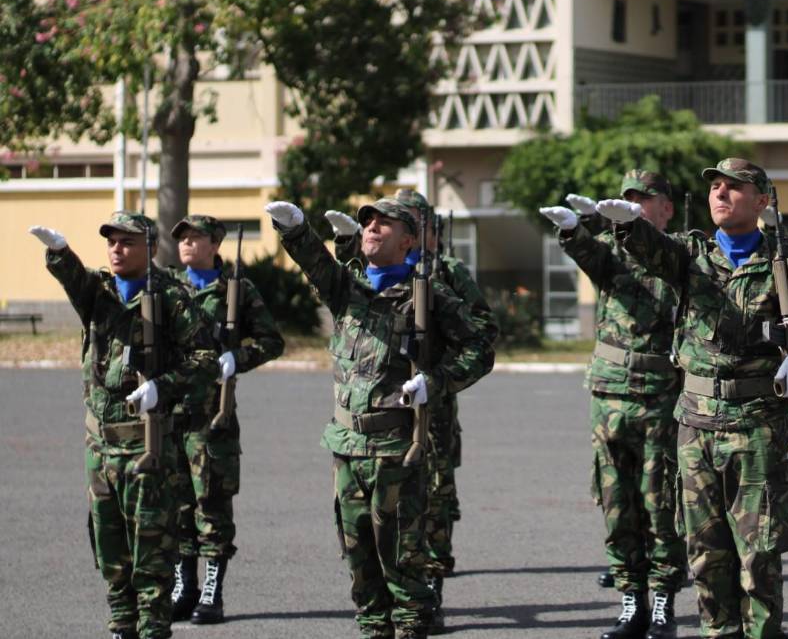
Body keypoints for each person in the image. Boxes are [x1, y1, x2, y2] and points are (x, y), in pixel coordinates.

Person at [593, 158, 788, 639]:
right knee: (705, 554)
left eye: (734, 188)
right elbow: (650, 249)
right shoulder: (689, 253)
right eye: (715, 186)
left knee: (759, 555)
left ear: (761, 200)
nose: (720, 194)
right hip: (697, 426)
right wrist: (628, 225)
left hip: (758, 423)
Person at [265, 198, 497, 639]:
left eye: (383, 224)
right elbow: (315, 262)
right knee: (360, 564)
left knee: (405, 562)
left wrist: (438, 380)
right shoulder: (347, 288)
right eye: (368, 222)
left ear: (408, 240)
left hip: (398, 449)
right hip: (347, 446)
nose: (371, 228)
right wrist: (294, 229)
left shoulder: (429, 295)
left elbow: (481, 348)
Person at [30, 212, 219, 639]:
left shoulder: (170, 297)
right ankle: (121, 626)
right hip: (100, 449)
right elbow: (75, 282)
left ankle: (153, 631)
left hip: (146, 448)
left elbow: (205, 360)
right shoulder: (99, 294)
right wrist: (60, 254)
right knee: (110, 551)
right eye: (111, 241)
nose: (116, 249)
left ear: (149, 246)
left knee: (151, 560)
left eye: (127, 242)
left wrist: (162, 387)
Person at [540, 169, 688, 638]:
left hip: (659, 396)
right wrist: (572, 231)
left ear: (666, 206)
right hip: (609, 396)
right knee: (616, 503)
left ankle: (663, 599)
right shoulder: (613, 252)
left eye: (645, 199)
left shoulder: (683, 251)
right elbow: (590, 256)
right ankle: (631, 599)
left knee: (661, 501)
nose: (636, 205)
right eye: (629, 199)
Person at [166, 215, 285, 624]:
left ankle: (213, 590)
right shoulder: (166, 286)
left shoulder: (236, 290)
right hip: (170, 414)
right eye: (182, 238)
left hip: (212, 418)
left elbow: (272, 341)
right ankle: (185, 585)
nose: (185, 244)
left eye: (195, 237)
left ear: (216, 244)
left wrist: (239, 357)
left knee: (211, 505)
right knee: (176, 506)